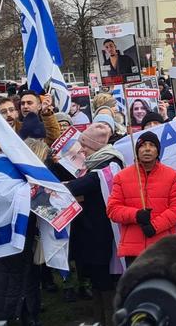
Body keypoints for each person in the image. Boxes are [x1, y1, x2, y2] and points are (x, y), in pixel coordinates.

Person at [63, 119, 123, 326]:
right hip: (94, 233)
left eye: (85, 147)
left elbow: (76, 187)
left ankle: (108, 319)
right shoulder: (98, 163)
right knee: (97, 280)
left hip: (103, 235)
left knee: (104, 280)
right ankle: (100, 318)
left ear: (96, 147)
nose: (83, 151)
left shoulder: (107, 166)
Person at [106, 132, 176, 263]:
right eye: (143, 145)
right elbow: (113, 210)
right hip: (133, 251)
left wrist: (155, 226)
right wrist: (135, 215)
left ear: (158, 151)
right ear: (137, 150)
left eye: (152, 145)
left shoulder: (173, 176)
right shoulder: (122, 177)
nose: (147, 149)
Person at [0, 96, 61, 188]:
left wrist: (47, 114)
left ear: (17, 113)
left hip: (29, 187)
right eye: (3, 112)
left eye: (11, 110)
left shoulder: (29, 131)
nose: (8, 114)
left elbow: (52, 139)